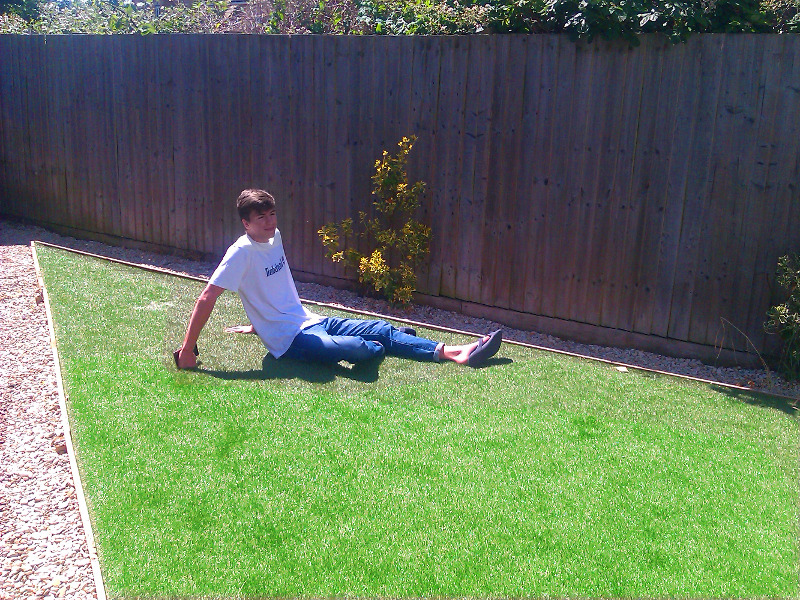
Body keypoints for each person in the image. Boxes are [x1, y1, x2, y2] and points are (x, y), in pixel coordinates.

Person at [173, 189, 502, 370]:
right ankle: (388, 343)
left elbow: (268, 288)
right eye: (261, 218)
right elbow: (207, 297)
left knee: (379, 328)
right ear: (246, 223)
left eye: (272, 214)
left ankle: (455, 352)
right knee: (361, 347)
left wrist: (257, 324)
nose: (269, 222)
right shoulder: (240, 253)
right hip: (289, 342)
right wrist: (188, 350)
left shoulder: (275, 237)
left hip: (309, 321)